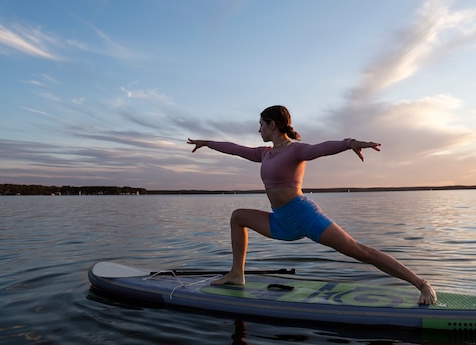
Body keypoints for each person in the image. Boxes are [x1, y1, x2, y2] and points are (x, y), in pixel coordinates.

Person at [187, 105, 437, 304]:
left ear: (272, 125)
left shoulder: (295, 151)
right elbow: (235, 149)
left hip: (304, 216)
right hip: (280, 221)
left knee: (359, 252)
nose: (259, 130)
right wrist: (208, 143)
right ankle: (236, 274)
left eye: (261, 125)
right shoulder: (265, 153)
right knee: (238, 216)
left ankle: (421, 283)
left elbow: (322, 148)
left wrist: (349, 143)